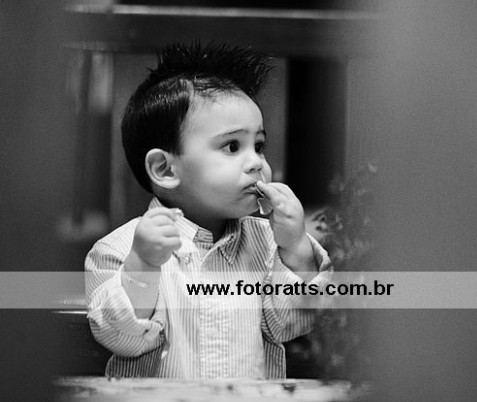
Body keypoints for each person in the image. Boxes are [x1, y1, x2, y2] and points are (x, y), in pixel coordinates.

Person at [85, 42, 332, 379]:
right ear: (165, 169)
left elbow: (292, 324)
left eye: (259, 145)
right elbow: (119, 336)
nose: (257, 163)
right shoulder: (118, 249)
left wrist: (296, 250)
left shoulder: (267, 244)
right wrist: (142, 265)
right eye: (232, 146)